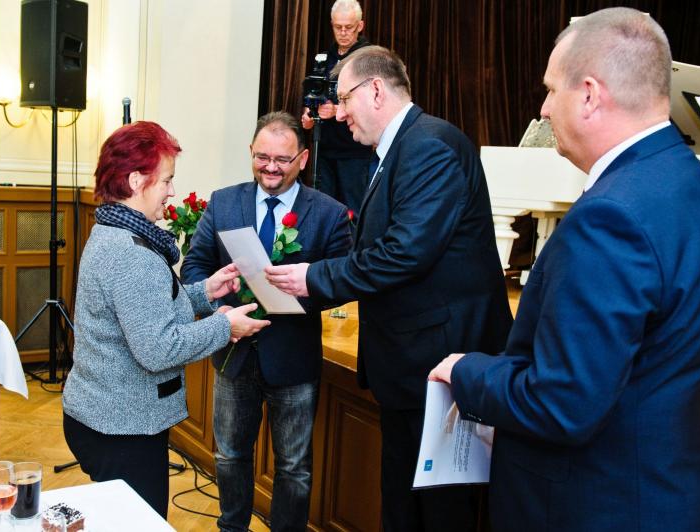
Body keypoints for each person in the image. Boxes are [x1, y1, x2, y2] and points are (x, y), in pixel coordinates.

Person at [429, 8, 700, 532]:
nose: (542, 109)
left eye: (549, 90)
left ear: (588, 95)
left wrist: (467, 372)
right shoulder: (696, 185)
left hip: (593, 504)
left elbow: (562, 402)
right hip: (667, 491)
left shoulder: (610, 216)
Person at [266, 47, 512, 531]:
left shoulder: (430, 146)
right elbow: (377, 254)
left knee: (439, 512)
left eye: (343, 99)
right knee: (402, 502)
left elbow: (403, 254)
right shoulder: (398, 150)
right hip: (410, 364)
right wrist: (309, 285)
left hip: (437, 365)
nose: (338, 114)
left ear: (375, 90)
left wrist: (313, 277)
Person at [62, 121, 270, 518]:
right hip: (122, 429)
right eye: (167, 180)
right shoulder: (131, 252)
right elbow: (158, 349)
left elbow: (145, 308)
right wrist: (225, 327)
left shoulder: (113, 230)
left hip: (104, 417)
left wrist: (206, 291)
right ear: (136, 181)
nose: (172, 191)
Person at [181, 111, 352, 531]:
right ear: (251, 152)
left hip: (293, 359)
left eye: (282, 159)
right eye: (262, 157)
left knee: (294, 467)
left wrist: (304, 287)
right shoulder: (224, 202)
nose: (270, 167)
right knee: (229, 456)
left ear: (303, 159)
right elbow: (195, 265)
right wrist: (216, 305)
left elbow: (343, 281)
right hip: (233, 354)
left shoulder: (329, 214)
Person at [301, 0, 372, 216]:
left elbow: (371, 102)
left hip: (354, 150)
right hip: (323, 148)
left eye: (348, 27)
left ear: (360, 26)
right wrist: (309, 114)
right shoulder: (324, 58)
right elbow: (313, 93)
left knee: (354, 213)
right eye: (338, 27)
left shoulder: (368, 57)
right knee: (323, 211)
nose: (342, 33)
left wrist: (338, 110)